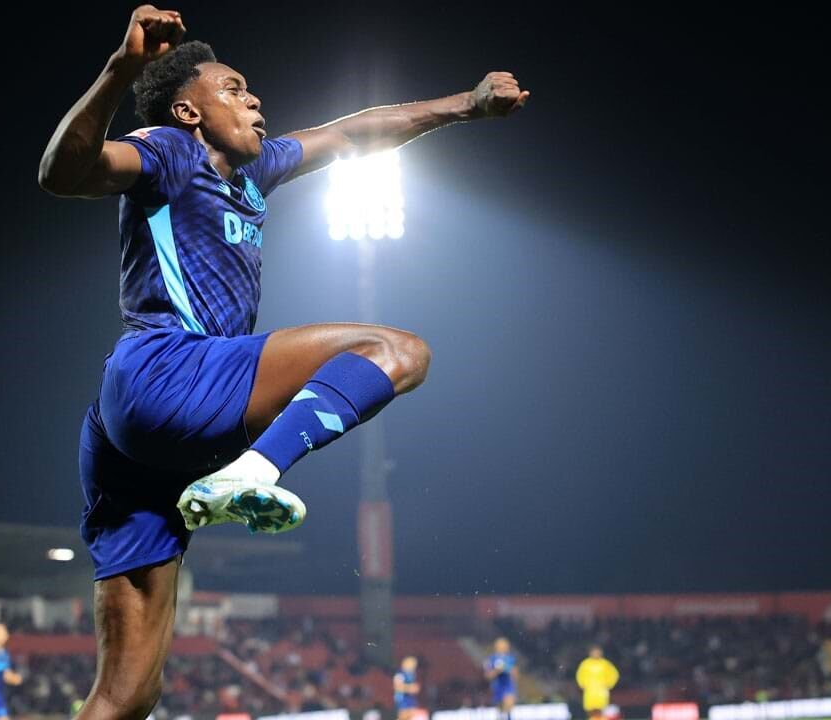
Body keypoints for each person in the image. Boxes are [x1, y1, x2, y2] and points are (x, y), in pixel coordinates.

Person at [37, 6, 529, 719]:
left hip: (131, 435)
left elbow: (354, 132)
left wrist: (467, 105)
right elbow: (64, 172)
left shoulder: (255, 170)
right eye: (233, 89)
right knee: (398, 351)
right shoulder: (169, 151)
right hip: (168, 370)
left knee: (127, 696)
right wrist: (122, 69)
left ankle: (242, 470)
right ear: (189, 112)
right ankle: (256, 470)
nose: (254, 99)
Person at [575, 645, 619, 719]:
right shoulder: (585, 664)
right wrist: (582, 684)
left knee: (602, 707)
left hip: (601, 689)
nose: (596, 654)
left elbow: (614, 674)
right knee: (590, 708)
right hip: (589, 690)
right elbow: (580, 675)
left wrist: (610, 684)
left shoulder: (605, 664)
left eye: (597, 652)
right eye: (594, 652)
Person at [485, 638, 519, 719]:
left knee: (508, 704)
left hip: (508, 685)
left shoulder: (511, 659)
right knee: (501, 710)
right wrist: (497, 671)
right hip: (497, 686)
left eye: (504, 646)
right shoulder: (491, 659)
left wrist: (511, 671)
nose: (503, 648)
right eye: (500, 646)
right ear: (496, 647)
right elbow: (488, 676)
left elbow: (516, 674)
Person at [394, 656, 422, 720]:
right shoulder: (400, 673)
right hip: (402, 699)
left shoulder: (412, 674)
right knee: (403, 716)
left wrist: (415, 688)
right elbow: (397, 687)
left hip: (411, 699)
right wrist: (410, 688)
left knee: (412, 715)